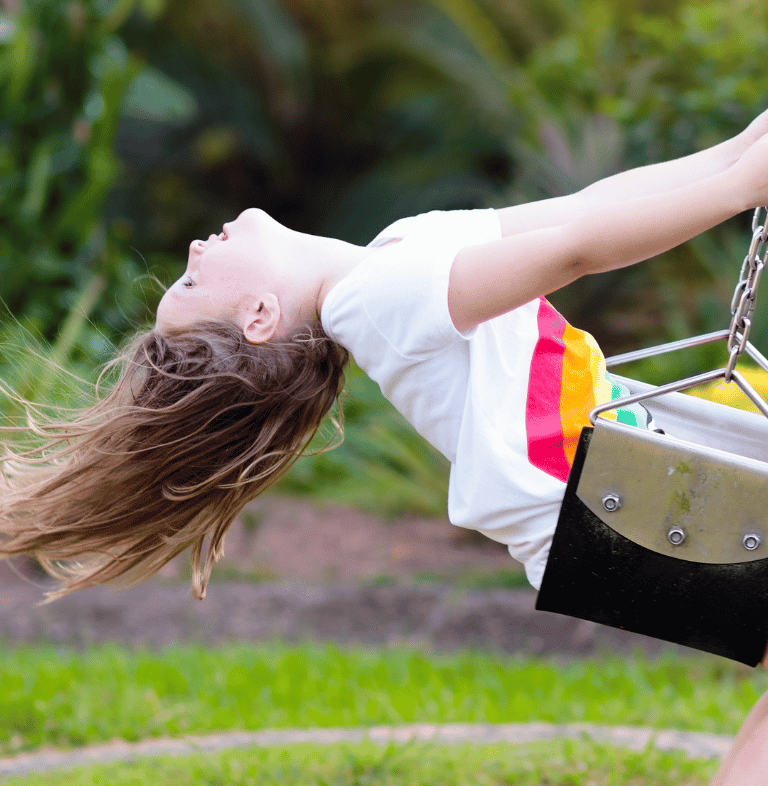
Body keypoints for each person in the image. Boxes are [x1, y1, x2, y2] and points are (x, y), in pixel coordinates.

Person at [4, 113, 768, 784]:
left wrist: (738, 153)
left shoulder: (396, 254)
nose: (196, 250)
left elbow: (583, 208)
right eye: (192, 283)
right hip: (603, 512)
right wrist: (736, 189)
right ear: (262, 316)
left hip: (602, 510)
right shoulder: (377, 297)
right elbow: (573, 250)